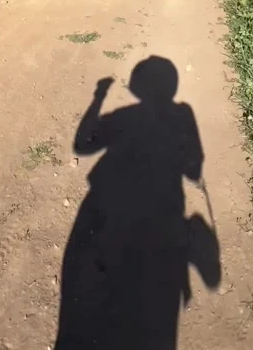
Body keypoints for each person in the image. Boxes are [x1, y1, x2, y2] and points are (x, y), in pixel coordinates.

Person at [54, 56, 220, 350]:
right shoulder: (183, 114)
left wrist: (99, 95)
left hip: (108, 212)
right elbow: (193, 170)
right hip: (163, 221)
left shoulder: (123, 117)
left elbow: (82, 143)